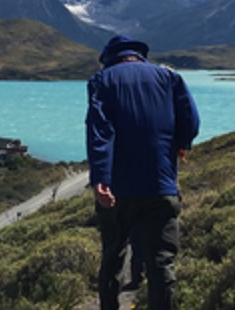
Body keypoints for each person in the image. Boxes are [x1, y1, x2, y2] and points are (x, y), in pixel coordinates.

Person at [86, 35, 200, 310]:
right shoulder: (170, 78)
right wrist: (179, 145)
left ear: (110, 58)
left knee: (113, 257)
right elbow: (191, 122)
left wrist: (101, 178)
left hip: (117, 188)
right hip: (161, 185)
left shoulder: (101, 81)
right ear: (139, 55)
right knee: (161, 263)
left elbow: (100, 132)